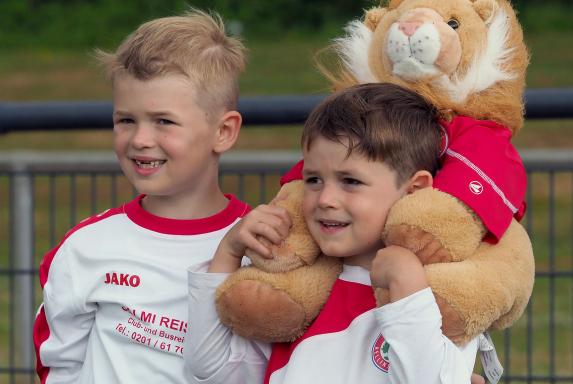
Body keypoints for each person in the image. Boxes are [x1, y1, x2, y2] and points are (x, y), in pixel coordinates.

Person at [184, 82, 481, 384]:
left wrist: (408, 287)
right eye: (313, 179)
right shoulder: (290, 291)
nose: (325, 199)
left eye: (350, 181)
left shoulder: (445, 297)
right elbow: (209, 370)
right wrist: (228, 252)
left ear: (414, 190)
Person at [32, 9, 248, 383]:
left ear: (224, 132)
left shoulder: (263, 245)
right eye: (126, 120)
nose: (140, 139)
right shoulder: (86, 247)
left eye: (163, 121)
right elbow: (57, 364)